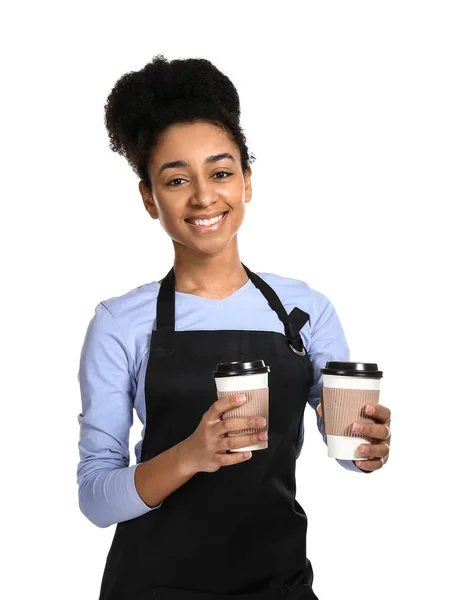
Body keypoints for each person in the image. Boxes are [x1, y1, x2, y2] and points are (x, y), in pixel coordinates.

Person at [76, 54, 391, 600]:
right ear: (150, 198)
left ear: (246, 181)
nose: (203, 196)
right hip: (153, 587)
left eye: (221, 172)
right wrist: (191, 454)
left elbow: (345, 446)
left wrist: (368, 450)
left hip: (279, 583)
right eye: (176, 180)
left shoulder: (303, 309)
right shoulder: (119, 324)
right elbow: (95, 498)